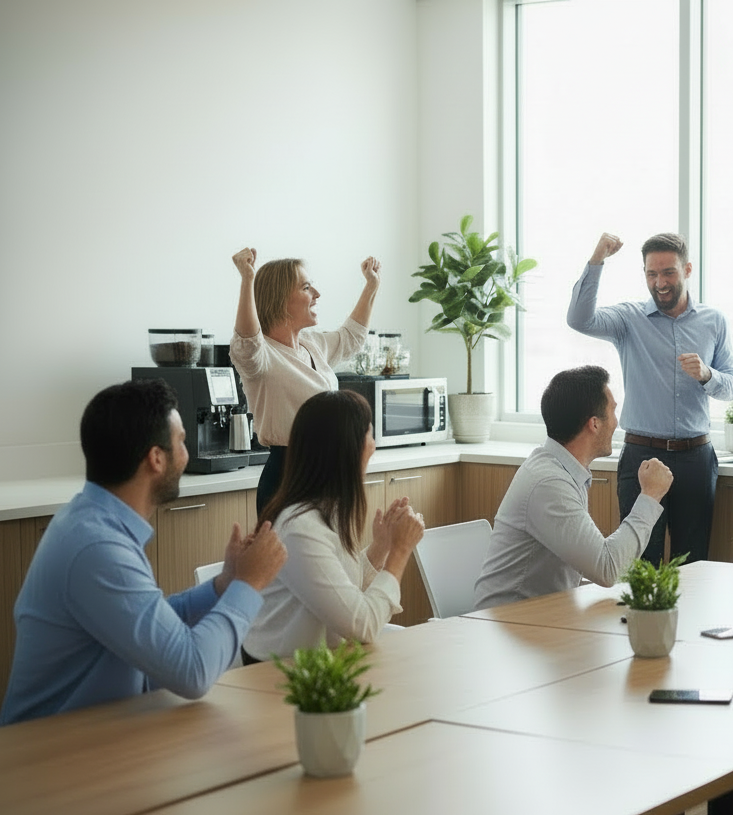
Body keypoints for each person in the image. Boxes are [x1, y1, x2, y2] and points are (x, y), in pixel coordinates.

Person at [1, 379, 287, 725]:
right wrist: (248, 584)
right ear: (156, 459)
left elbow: (150, 621)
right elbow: (193, 672)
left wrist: (223, 586)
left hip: (91, 736)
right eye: (182, 442)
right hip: (47, 755)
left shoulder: (91, 521)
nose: (188, 454)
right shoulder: (97, 548)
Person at [567, 233, 733, 565]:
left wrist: (707, 374)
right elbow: (579, 319)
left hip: (695, 459)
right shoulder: (628, 319)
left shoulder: (713, 321)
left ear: (687, 269)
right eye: (651, 273)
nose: (660, 282)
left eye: (668, 272)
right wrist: (597, 259)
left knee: (694, 564)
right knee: (639, 560)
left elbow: (732, 385)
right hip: (641, 456)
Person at [243, 390, 425, 661]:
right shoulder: (300, 528)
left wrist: (380, 547)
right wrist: (399, 552)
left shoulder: (325, 509)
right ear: (350, 449)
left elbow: (340, 591)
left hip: (318, 665)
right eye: (370, 435)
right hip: (275, 674)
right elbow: (362, 625)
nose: (373, 446)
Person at [474, 366, 674, 609]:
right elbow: (607, 568)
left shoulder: (561, 469)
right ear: (594, 424)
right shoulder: (549, 483)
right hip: (511, 624)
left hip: (539, 617)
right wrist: (650, 495)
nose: (616, 422)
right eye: (612, 411)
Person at [229, 247, 382, 516]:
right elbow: (246, 343)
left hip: (330, 475)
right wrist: (247, 279)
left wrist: (371, 286)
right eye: (307, 287)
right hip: (289, 477)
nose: (317, 295)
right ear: (279, 299)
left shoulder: (312, 345)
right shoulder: (262, 357)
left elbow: (351, 338)